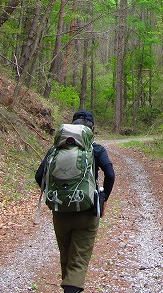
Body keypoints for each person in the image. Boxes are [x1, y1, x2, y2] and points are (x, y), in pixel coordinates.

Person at [36, 110, 115, 293]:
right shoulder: (96, 149)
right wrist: (103, 198)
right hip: (86, 212)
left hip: (60, 212)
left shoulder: (55, 149)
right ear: (92, 128)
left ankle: (69, 288)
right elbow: (110, 174)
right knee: (78, 261)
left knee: (66, 257)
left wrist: (56, 193)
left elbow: (39, 175)